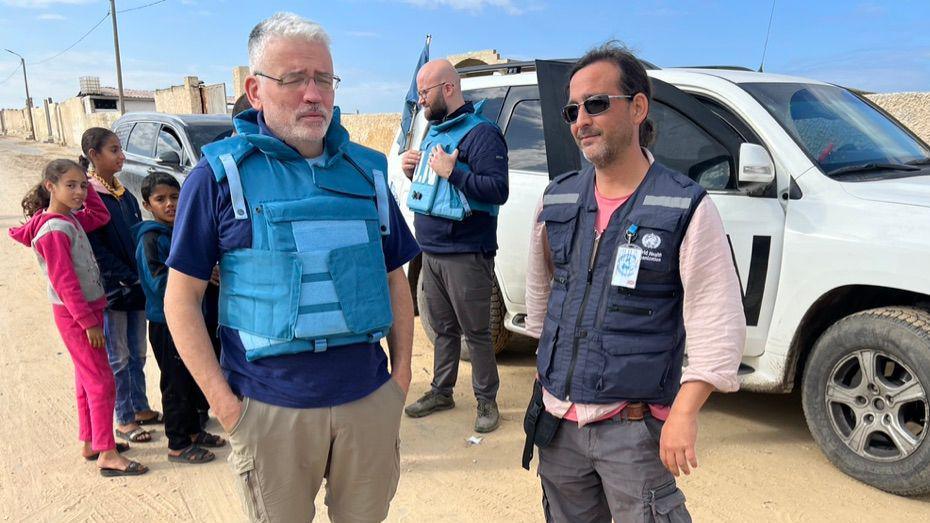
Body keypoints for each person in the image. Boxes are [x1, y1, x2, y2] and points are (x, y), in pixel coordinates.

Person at [164, 12, 418, 522]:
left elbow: (395, 280)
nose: (314, 94)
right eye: (295, 79)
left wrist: (402, 376)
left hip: (368, 401)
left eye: (324, 79)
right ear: (255, 91)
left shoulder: (368, 172)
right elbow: (181, 299)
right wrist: (227, 407)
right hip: (268, 409)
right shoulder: (215, 178)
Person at [522, 42, 745, 521]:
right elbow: (541, 296)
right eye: (572, 110)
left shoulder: (684, 206)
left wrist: (685, 412)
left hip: (633, 431)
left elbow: (718, 319)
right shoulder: (555, 200)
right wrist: (547, 377)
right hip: (558, 426)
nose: (582, 120)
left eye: (597, 104)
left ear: (638, 107)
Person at [9, 159, 148, 477]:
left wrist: (90, 183)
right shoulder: (54, 229)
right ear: (50, 187)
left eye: (83, 185)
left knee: (87, 380)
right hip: (77, 315)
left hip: (88, 308)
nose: (79, 192)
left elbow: (100, 215)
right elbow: (65, 283)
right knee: (101, 381)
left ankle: (92, 442)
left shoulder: (70, 218)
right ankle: (108, 453)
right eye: (70, 185)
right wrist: (88, 323)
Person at [400, 59, 509, 433]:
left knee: (475, 332)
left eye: (424, 94)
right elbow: (434, 186)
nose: (420, 102)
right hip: (430, 252)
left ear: (448, 88)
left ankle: (486, 401)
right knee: (443, 330)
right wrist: (414, 169)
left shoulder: (483, 134)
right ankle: (441, 391)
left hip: (466, 252)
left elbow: (498, 190)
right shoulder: (434, 129)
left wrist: (453, 171)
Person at [133, 172, 226, 464]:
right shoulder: (150, 238)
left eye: (175, 197)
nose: (170, 204)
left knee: (192, 377)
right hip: (165, 322)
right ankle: (178, 443)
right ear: (148, 205)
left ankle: (195, 431)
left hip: (193, 319)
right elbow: (159, 283)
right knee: (175, 384)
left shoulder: (182, 232)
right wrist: (196, 275)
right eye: (161, 199)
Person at [82, 127, 161, 443]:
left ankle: (140, 407)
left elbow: (135, 236)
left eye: (120, 149)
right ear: (94, 155)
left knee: (138, 352)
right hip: (113, 289)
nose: (121, 156)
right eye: (113, 150)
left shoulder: (123, 194)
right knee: (119, 356)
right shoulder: (89, 197)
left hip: (135, 285)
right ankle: (124, 418)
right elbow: (94, 248)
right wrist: (123, 274)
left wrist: (140, 270)